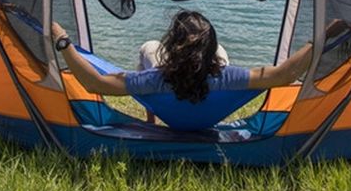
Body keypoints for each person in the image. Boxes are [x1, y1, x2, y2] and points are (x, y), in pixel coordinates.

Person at [50, 10, 315, 118]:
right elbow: (285, 74)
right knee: (222, 52)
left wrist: (63, 42)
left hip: (168, 110)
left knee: (149, 47)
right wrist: (319, 39)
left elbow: (94, 82)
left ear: (173, 43)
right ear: (208, 49)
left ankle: (151, 115)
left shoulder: (153, 80)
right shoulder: (226, 76)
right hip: (208, 117)